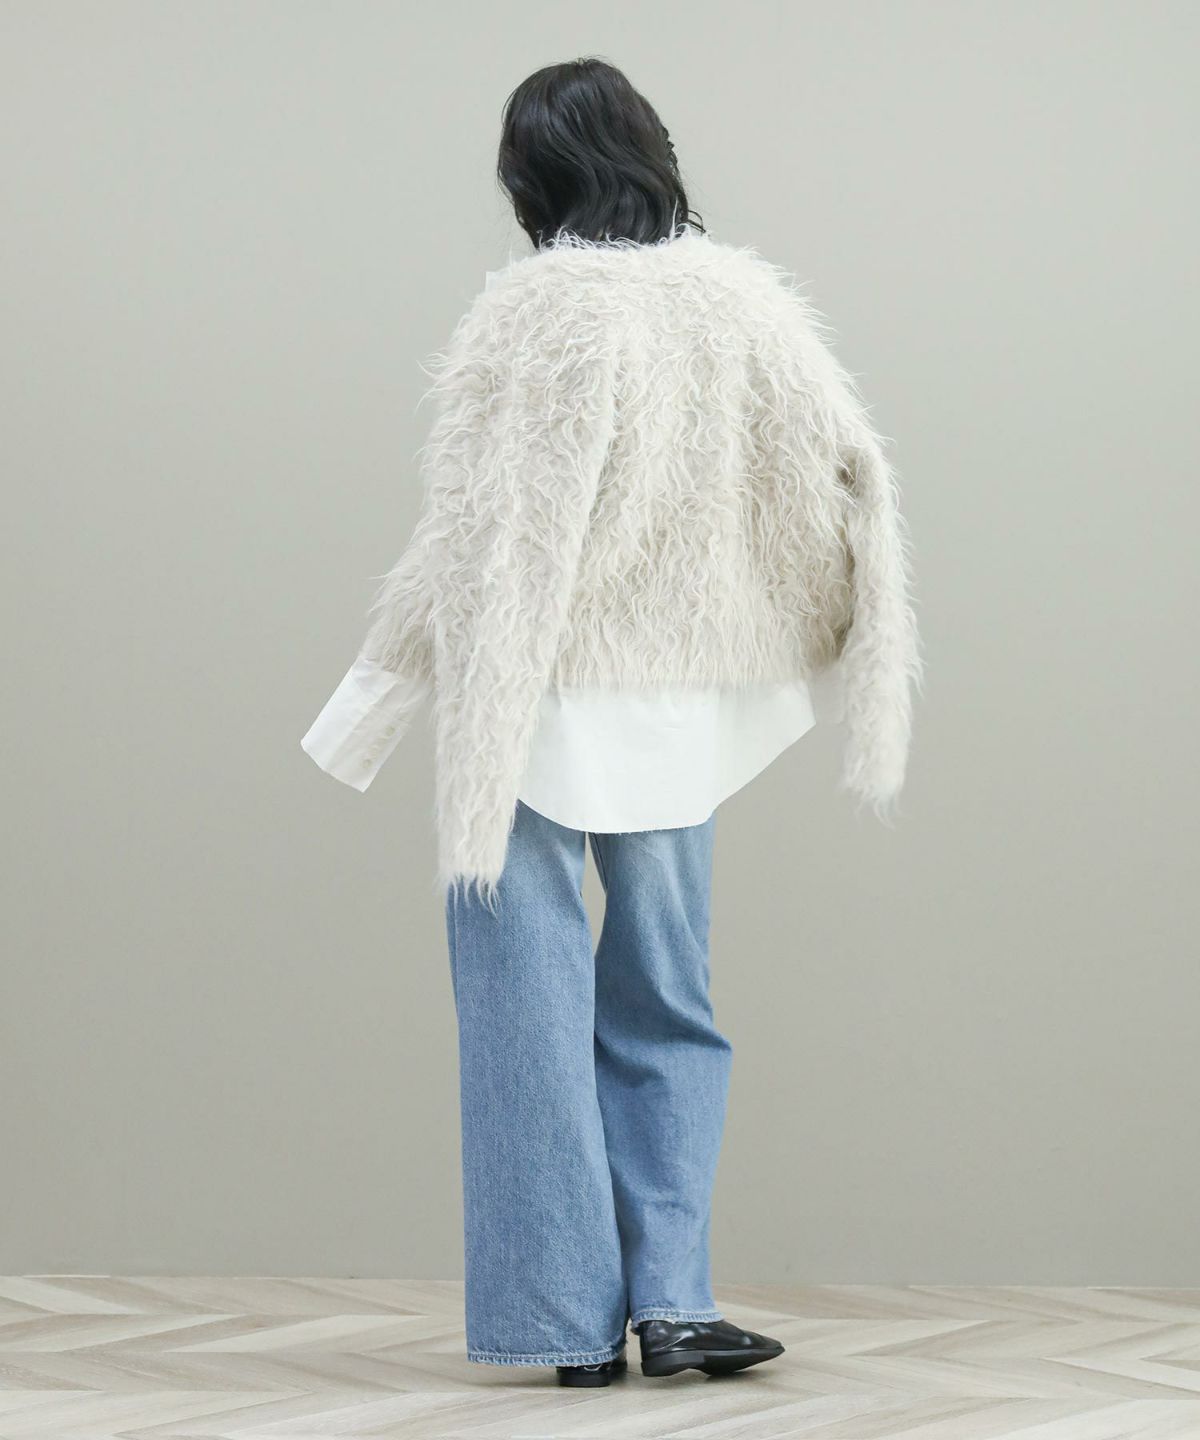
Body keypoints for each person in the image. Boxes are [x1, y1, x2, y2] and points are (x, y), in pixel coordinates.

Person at [302, 56, 922, 1386]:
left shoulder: (537, 311)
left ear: (530, 178)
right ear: (650, 152)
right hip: (684, 705)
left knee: (523, 1012)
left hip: (537, 706)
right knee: (669, 997)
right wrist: (817, 631)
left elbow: (484, 538)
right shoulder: (743, 306)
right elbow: (844, 473)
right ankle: (676, 1301)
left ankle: (566, 1319)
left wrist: (371, 701)